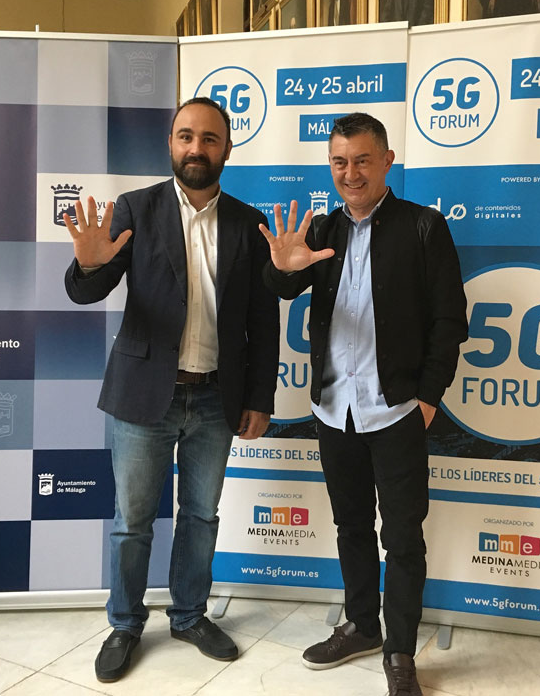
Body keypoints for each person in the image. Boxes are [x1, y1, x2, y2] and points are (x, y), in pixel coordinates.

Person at [63, 97, 279, 682]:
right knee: (132, 520)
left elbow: (263, 321)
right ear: (170, 144)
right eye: (186, 136)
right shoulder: (137, 208)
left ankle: (188, 616)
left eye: (209, 138)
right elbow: (88, 289)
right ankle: (124, 624)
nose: (196, 148)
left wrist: (259, 398)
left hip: (215, 399)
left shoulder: (248, 223)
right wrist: (88, 265)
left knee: (201, 516)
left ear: (227, 148)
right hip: (144, 396)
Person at [260, 113, 467, 696]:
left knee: (402, 538)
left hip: (396, 410)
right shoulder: (324, 229)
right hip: (334, 410)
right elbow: (284, 285)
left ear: (387, 162)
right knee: (350, 525)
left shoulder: (423, 227)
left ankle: (400, 651)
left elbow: (449, 321)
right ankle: (361, 626)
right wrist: (280, 267)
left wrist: (428, 398)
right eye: (339, 162)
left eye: (362, 160)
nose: (350, 173)